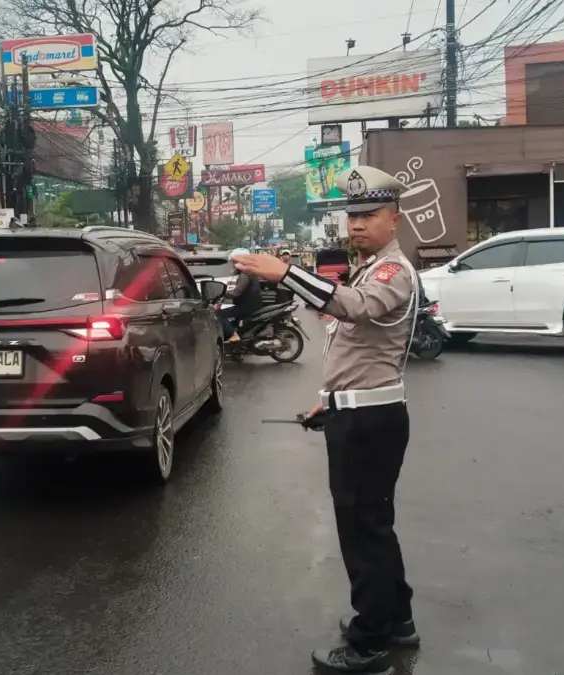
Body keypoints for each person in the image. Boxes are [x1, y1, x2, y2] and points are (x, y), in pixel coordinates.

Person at [233, 166, 421, 675]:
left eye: (369, 214)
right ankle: (396, 618)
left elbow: (356, 310)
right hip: (357, 413)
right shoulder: (368, 266)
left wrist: (285, 274)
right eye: (352, 215)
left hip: (372, 422)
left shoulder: (392, 271)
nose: (357, 224)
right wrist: (331, 403)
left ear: (394, 219)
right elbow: (356, 353)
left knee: (362, 532)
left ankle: (370, 643)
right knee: (372, 525)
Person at [220, 248, 263, 342]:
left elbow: (236, 292)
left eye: (234, 262)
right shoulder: (251, 271)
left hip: (246, 306)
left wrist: (221, 294)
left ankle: (233, 335)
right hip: (253, 304)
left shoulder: (244, 275)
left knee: (219, 314)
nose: (233, 265)